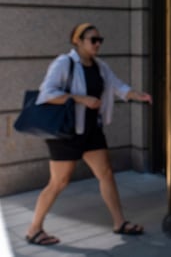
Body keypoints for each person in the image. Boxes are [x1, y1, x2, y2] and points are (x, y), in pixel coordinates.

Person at [24, 23, 152, 246]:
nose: (98, 44)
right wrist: (81, 99)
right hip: (66, 133)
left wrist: (136, 95)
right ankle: (34, 229)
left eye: (100, 40)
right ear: (78, 41)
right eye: (93, 40)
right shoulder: (64, 63)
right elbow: (47, 94)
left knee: (106, 174)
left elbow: (117, 86)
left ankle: (119, 222)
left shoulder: (100, 66)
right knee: (59, 182)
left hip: (91, 131)